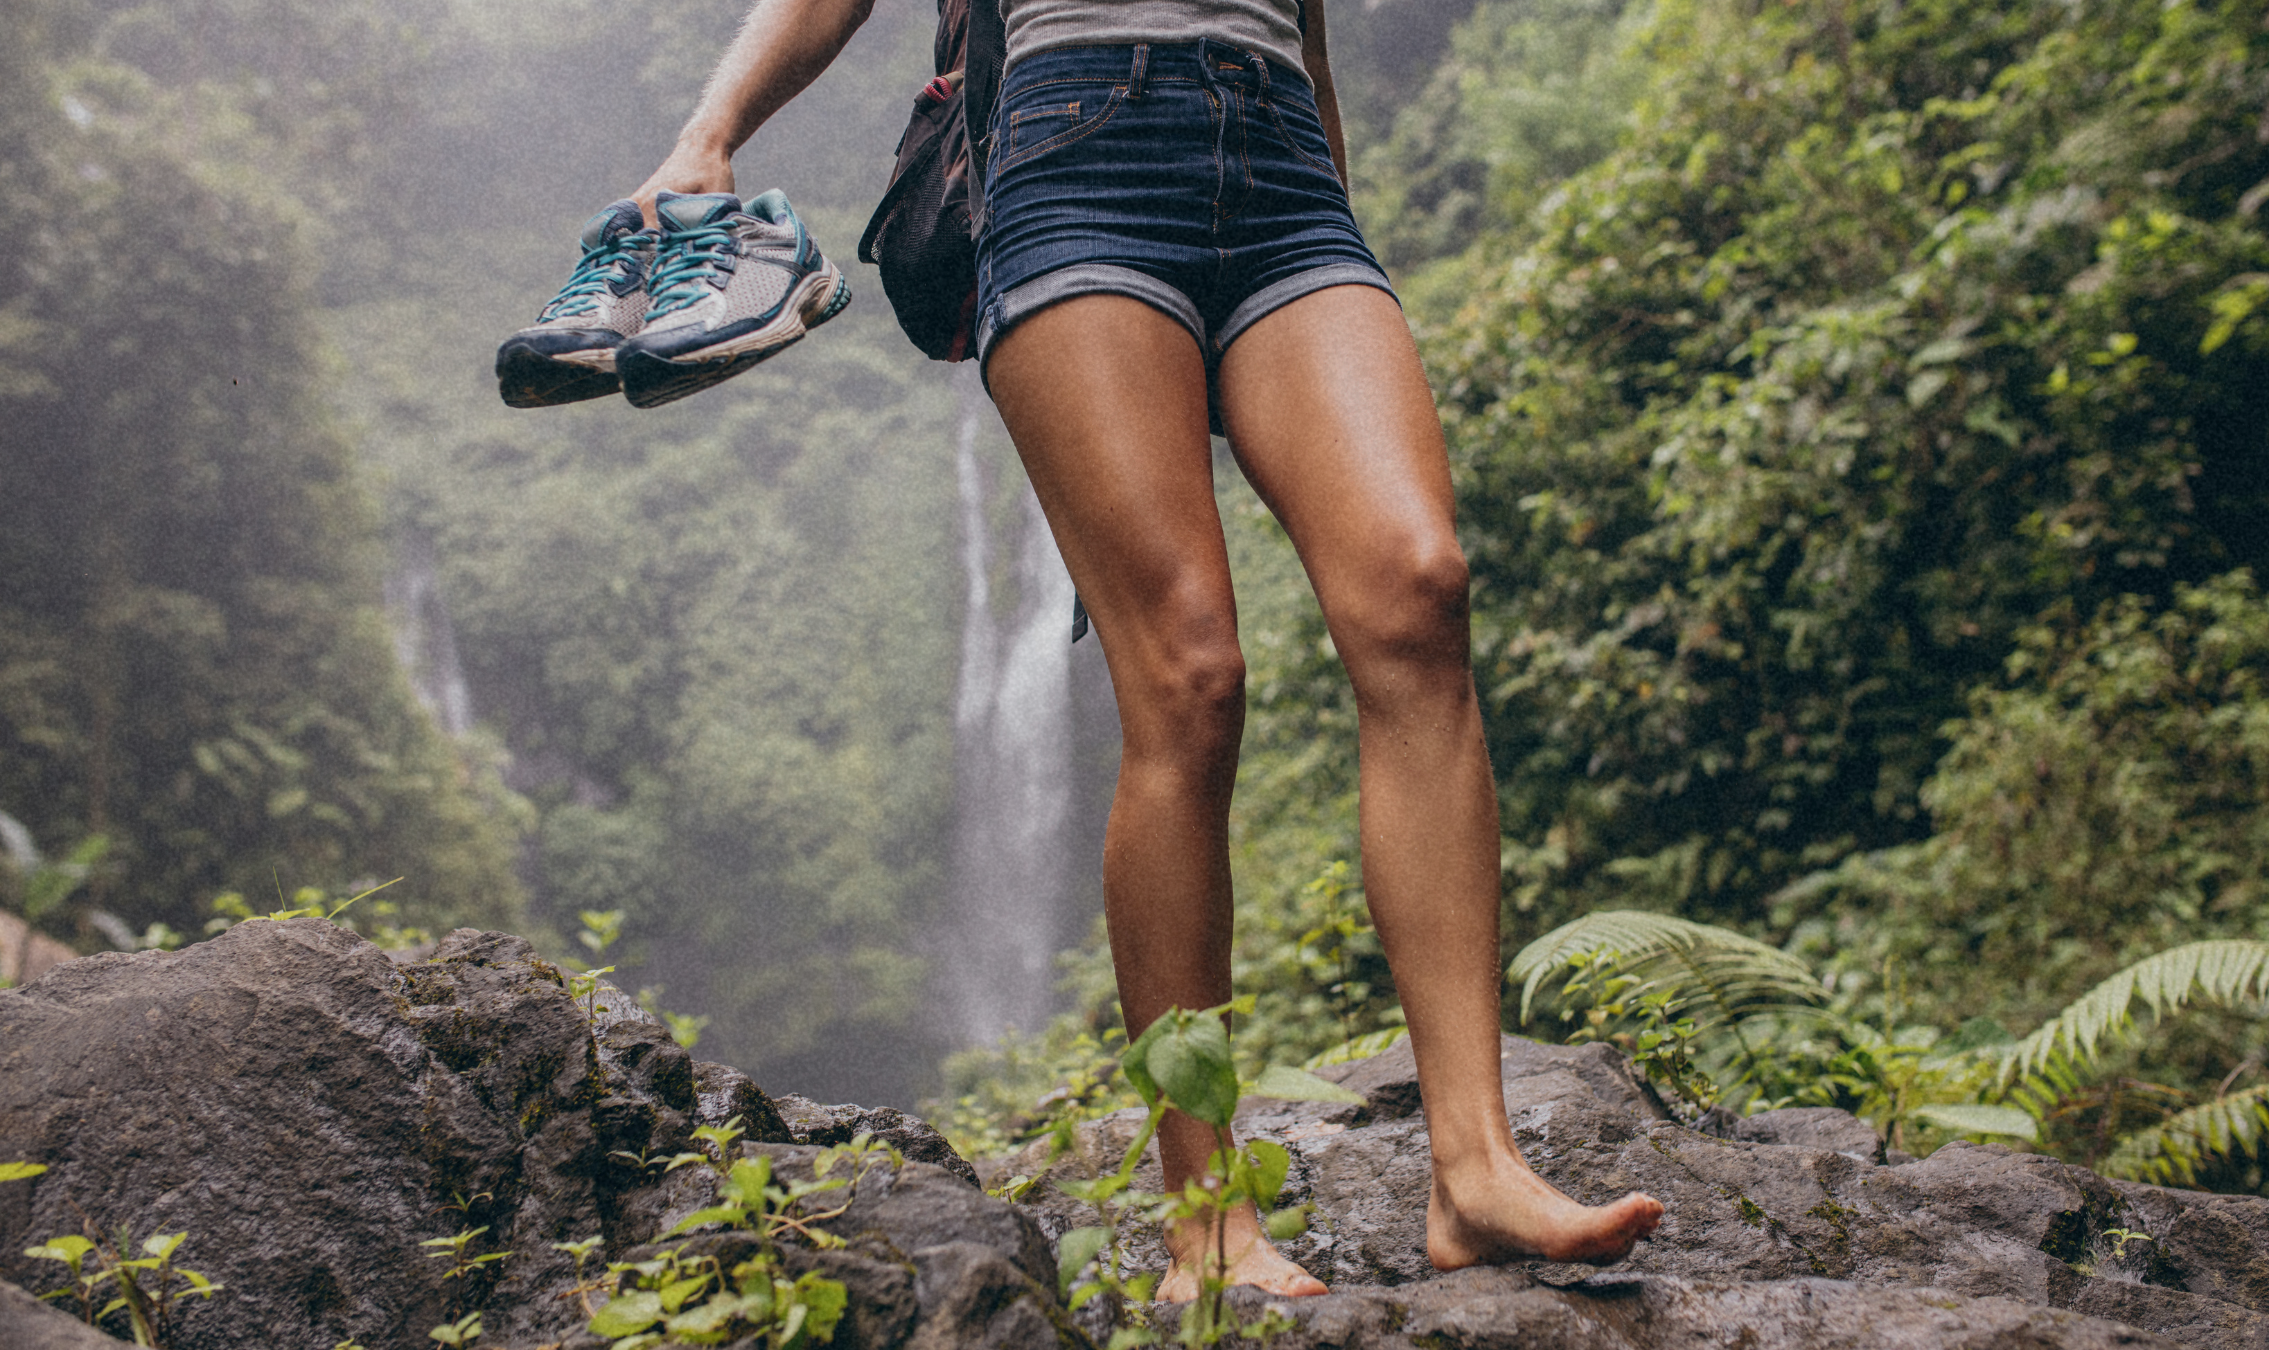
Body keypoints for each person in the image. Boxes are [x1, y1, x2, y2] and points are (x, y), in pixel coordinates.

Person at [628, 0, 1665, 1300]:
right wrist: (708, 132)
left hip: (1286, 163)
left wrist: (1324, 202)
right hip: (1078, 153)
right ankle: (1208, 1224)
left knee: (1418, 591)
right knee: (1189, 673)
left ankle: (1475, 1168)